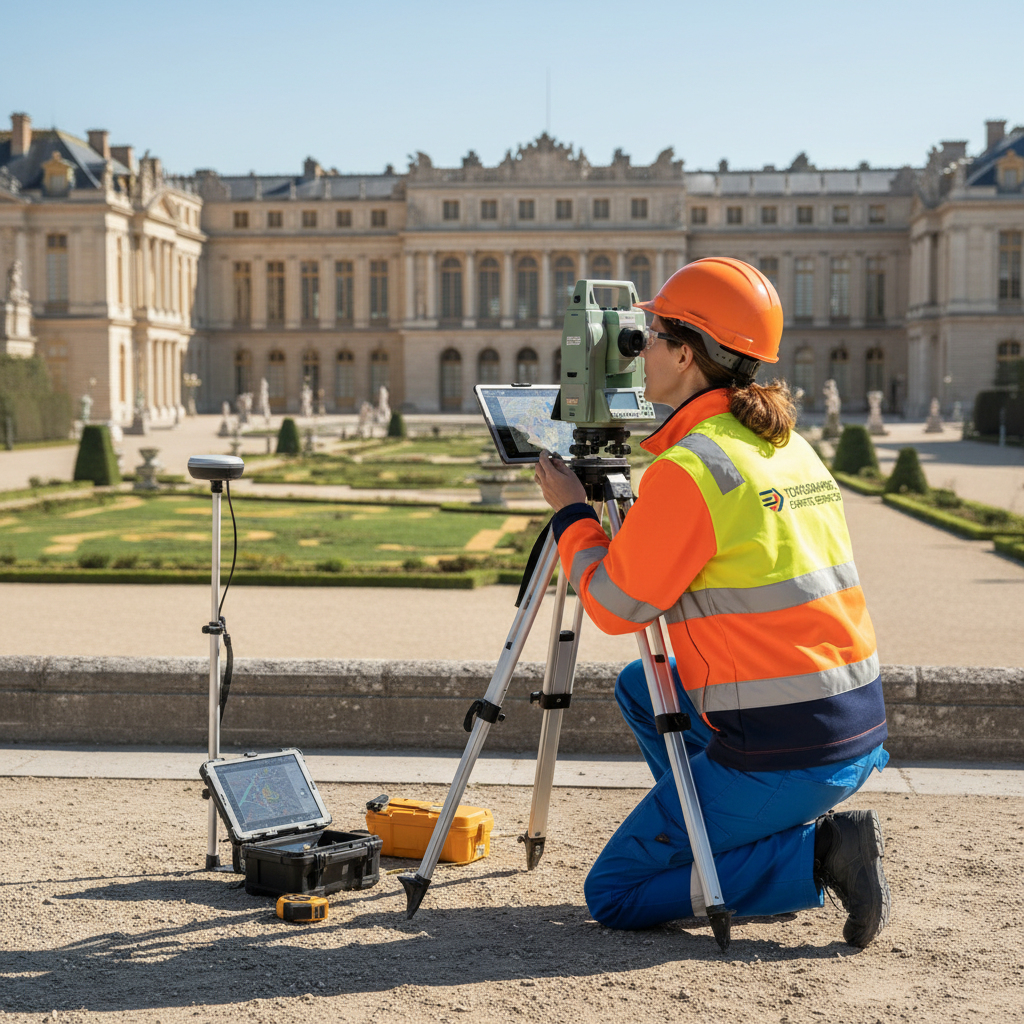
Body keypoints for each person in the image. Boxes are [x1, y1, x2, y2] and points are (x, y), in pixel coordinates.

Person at [534, 257, 892, 947]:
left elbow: (613, 607)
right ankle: (725, 833)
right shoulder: (784, 443)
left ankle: (813, 857)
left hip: (788, 748)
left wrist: (573, 515)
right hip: (849, 723)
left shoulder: (692, 467)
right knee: (645, 685)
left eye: (650, 336)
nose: (637, 352)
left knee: (613, 892)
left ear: (686, 353)